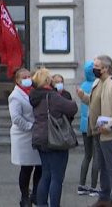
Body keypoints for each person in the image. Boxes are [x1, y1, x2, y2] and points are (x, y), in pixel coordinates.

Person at [77, 55, 112, 207]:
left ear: (106, 68)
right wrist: (83, 97)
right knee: (102, 166)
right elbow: (93, 102)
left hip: (109, 132)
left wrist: (110, 126)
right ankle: (104, 197)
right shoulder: (98, 82)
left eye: (97, 66)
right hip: (97, 131)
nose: (94, 69)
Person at [30, 67, 78, 207]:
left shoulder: (34, 96)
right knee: (56, 177)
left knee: (45, 174)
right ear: (47, 80)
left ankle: (42, 204)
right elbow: (72, 108)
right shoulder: (52, 95)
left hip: (39, 137)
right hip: (54, 138)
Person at [9, 67, 42, 207]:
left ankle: (36, 193)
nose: (28, 79)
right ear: (17, 80)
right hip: (23, 136)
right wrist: (31, 126)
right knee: (27, 167)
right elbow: (16, 118)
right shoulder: (15, 96)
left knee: (39, 166)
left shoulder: (33, 92)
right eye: (24, 77)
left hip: (37, 135)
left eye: (29, 76)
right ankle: (24, 197)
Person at [76, 60, 101, 197]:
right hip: (95, 124)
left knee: (87, 155)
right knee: (97, 155)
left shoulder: (83, 85)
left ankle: (81, 185)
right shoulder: (98, 85)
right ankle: (93, 187)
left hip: (84, 125)